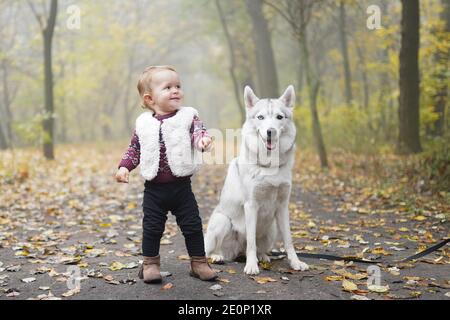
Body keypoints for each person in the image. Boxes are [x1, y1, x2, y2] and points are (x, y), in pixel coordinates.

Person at [115, 65, 217, 283]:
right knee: (151, 227)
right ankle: (150, 264)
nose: (175, 90)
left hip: (181, 188)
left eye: (178, 86)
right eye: (168, 87)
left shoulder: (188, 116)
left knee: (192, 225)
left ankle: (199, 262)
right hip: (154, 189)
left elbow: (198, 132)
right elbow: (135, 148)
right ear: (150, 99)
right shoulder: (143, 123)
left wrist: (202, 141)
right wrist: (124, 167)